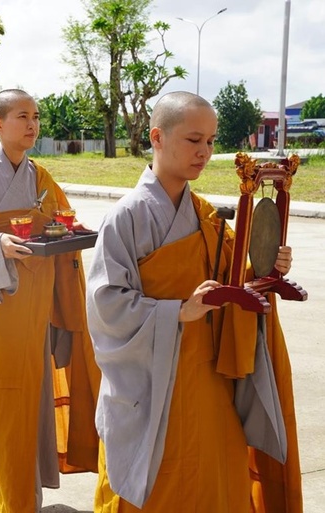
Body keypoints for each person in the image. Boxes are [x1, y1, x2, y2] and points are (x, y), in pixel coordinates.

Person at [86, 91, 301, 512]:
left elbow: (235, 280)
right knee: (157, 485)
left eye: (211, 142)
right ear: (158, 137)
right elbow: (106, 306)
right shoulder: (125, 217)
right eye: (193, 140)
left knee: (214, 481)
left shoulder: (206, 215)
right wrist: (176, 311)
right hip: (151, 385)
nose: (204, 152)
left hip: (210, 378)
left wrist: (265, 267)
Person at [0, 89, 100, 512]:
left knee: (33, 399)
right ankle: (0, 486)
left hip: (38, 303)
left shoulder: (40, 176)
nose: (32, 125)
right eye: (22, 116)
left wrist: (71, 230)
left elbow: (61, 224)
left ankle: (21, 487)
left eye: (36, 117)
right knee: (0, 397)